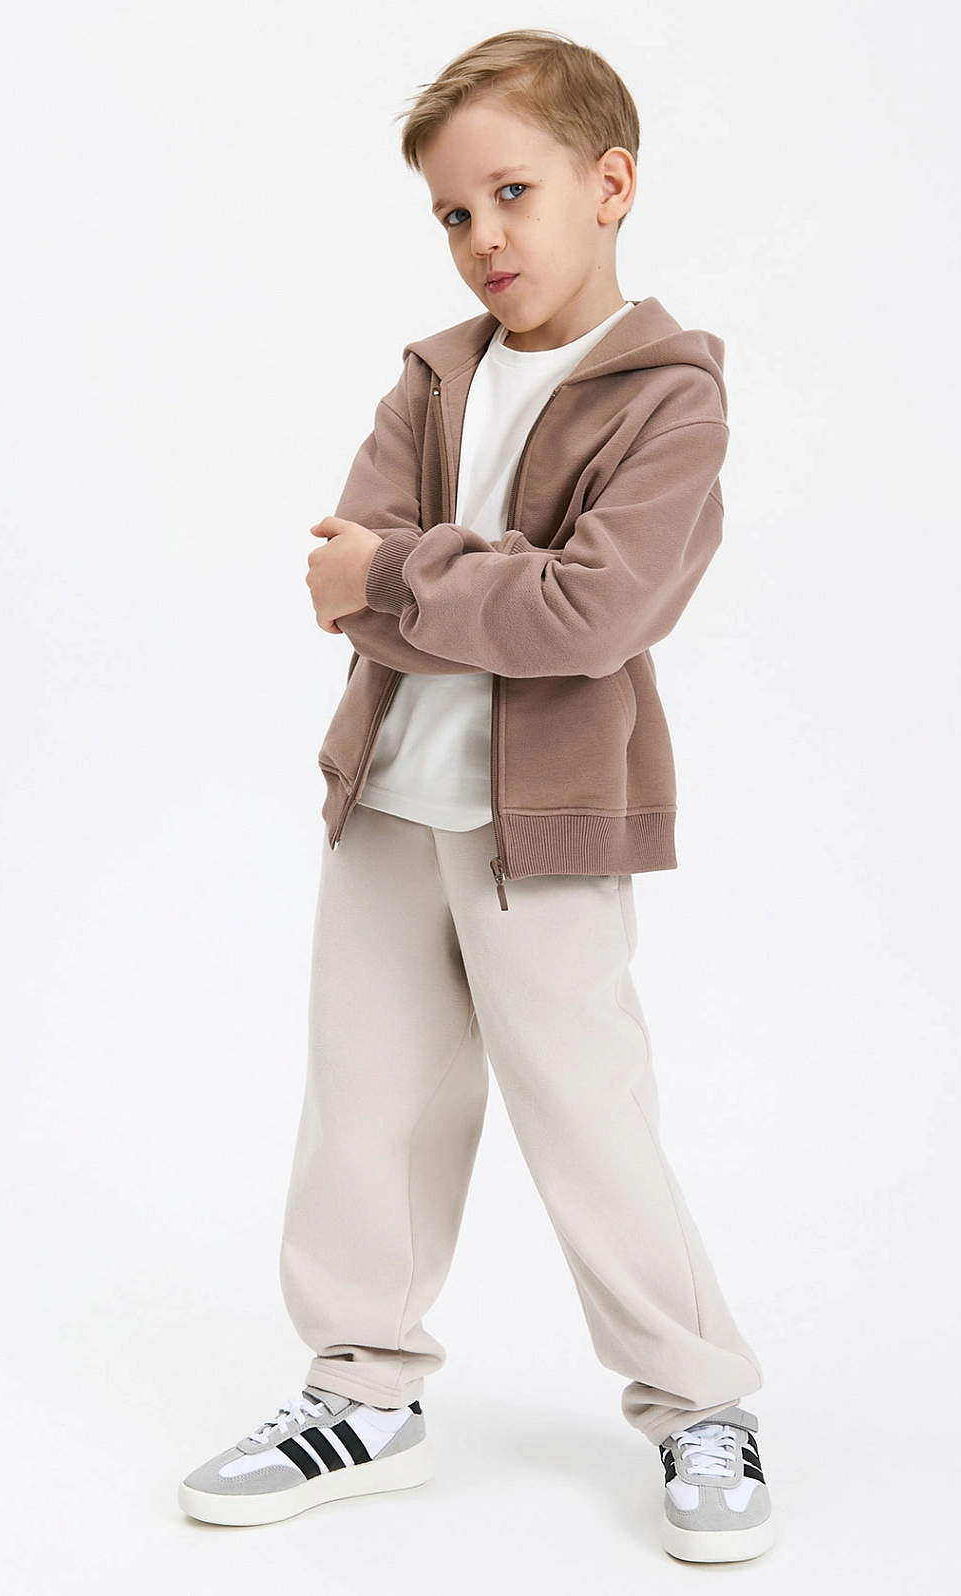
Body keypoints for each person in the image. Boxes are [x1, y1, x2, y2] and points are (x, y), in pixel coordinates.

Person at [178, 28, 776, 1564]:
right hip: (387, 799)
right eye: (453, 212)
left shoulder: (670, 402)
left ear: (610, 183)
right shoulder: (433, 377)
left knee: (588, 1117)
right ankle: (362, 1392)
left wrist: (404, 579)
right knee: (366, 1103)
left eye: (512, 193)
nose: (481, 237)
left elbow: (594, 614)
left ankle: (700, 1400)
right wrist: (432, 585)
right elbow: (346, 577)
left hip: (549, 829)